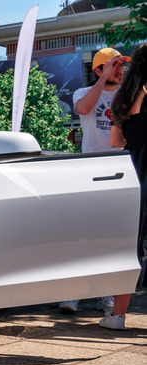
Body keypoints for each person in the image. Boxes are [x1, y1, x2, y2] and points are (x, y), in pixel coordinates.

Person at [58, 48, 130, 314]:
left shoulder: (129, 93)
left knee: (114, 236)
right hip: (89, 169)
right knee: (82, 233)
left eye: (122, 65)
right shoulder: (82, 92)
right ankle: (73, 293)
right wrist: (103, 80)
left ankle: (107, 294)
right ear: (99, 70)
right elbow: (84, 108)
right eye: (114, 66)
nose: (120, 70)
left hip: (122, 169)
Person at [106, 42, 147, 330]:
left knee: (130, 245)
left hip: (136, 172)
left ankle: (117, 316)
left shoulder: (125, 98)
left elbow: (116, 143)